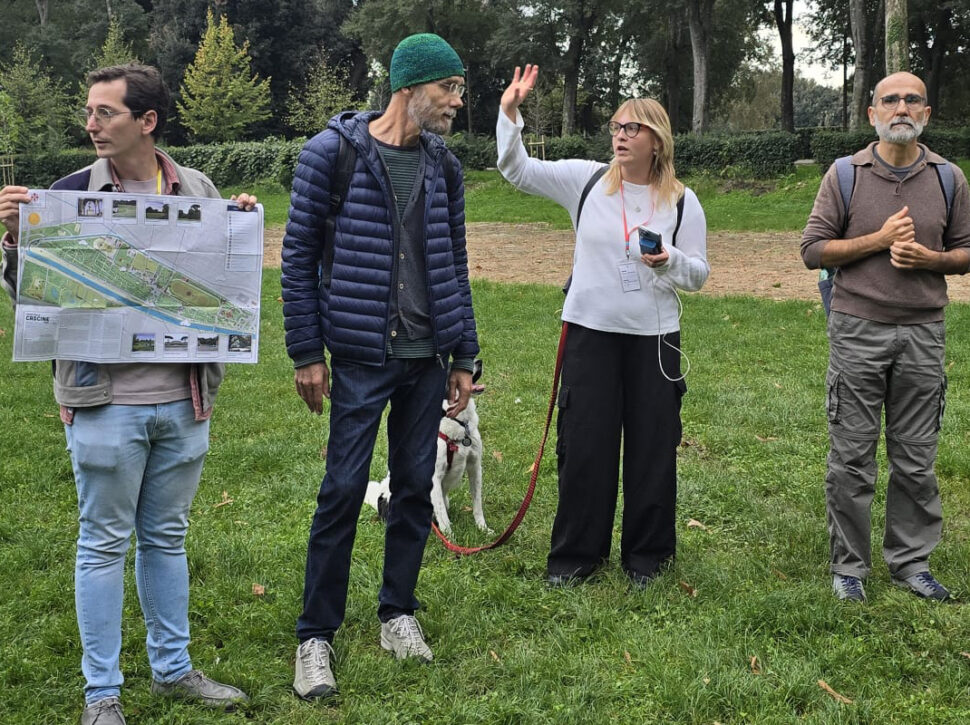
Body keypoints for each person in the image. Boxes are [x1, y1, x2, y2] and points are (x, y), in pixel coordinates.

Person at [0, 64, 255, 725]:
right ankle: (101, 695)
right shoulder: (66, 193)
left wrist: (241, 229)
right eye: (88, 111)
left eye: (105, 112)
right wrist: (15, 242)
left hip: (184, 401)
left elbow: (221, 289)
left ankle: (173, 670)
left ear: (147, 121)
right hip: (104, 402)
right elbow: (33, 298)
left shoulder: (197, 188)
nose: (91, 123)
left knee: (166, 538)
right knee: (103, 543)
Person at [282, 33, 479, 700]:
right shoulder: (329, 154)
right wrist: (307, 351)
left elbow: (454, 262)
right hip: (361, 358)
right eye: (448, 88)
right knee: (342, 490)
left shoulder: (443, 166)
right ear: (409, 88)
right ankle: (316, 636)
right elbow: (297, 257)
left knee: (415, 490)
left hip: (427, 360)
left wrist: (464, 354)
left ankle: (398, 613)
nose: (457, 100)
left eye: (458, 89)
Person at [495, 65, 709, 589]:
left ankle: (648, 561)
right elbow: (517, 171)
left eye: (632, 129)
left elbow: (699, 275)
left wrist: (671, 261)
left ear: (657, 141)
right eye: (616, 127)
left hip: (653, 340)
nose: (620, 136)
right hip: (589, 332)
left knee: (652, 450)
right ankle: (574, 559)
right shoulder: (586, 180)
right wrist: (510, 113)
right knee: (585, 447)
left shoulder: (682, 200)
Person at [801, 72, 970, 603]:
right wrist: (876, 241)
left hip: (923, 333)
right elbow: (812, 250)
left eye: (911, 99)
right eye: (889, 100)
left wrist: (932, 259)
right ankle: (849, 567)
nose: (901, 107)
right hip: (857, 329)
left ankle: (910, 562)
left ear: (926, 113)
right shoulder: (845, 174)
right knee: (851, 455)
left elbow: (966, 250)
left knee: (916, 457)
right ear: (871, 113)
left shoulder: (949, 178)